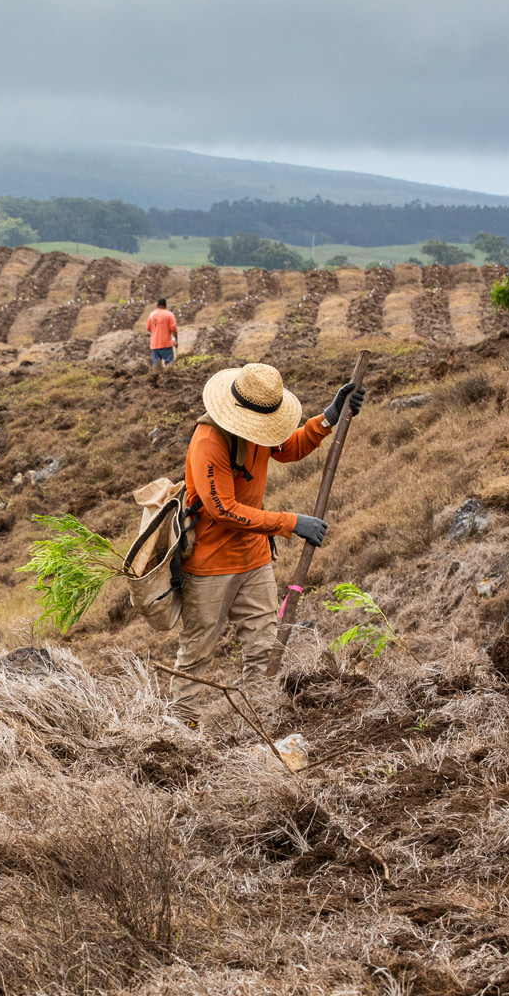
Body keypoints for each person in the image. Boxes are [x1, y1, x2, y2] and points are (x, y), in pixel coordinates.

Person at [172, 362, 365, 712]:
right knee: (196, 653)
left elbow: (288, 447)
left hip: (254, 559)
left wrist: (328, 418)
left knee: (264, 646)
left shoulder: (260, 432)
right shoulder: (209, 441)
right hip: (210, 566)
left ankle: (255, 719)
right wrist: (290, 522)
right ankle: (179, 733)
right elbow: (223, 510)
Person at [146, 297, 179, 367]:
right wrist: (175, 341)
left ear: (157, 305)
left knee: (156, 366)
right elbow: (174, 329)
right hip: (166, 344)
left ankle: (156, 377)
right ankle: (168, 377)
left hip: (154, 345)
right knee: (169, 365)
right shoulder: (169, 315)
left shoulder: (151, 315)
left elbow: (148, 328)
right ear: (165, 305)